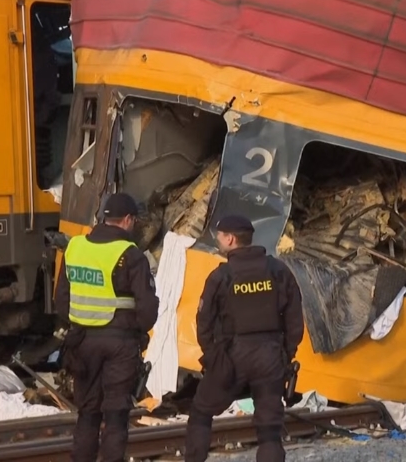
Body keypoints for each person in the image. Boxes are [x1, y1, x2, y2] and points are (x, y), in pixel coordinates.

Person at [184, 215, 304, 462]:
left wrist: (214, 358)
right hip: (270, 355)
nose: (217, 241)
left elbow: (204, 322)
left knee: (201, 411)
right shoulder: (278, 271)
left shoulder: (221, 276)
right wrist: (284, 355)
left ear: (230, 239)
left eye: (219, 237)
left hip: (232, 356)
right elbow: (294, 320)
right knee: (270, 429)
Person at [55, 193, 159, 462]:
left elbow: (61, 302)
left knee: (88, 414)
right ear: (127, 220)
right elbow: (148, 310)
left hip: (81, 343)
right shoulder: (130, 255)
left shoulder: (75, 247)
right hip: (120, 344)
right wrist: (134, 330)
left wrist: (80, 323)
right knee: (115, 416)